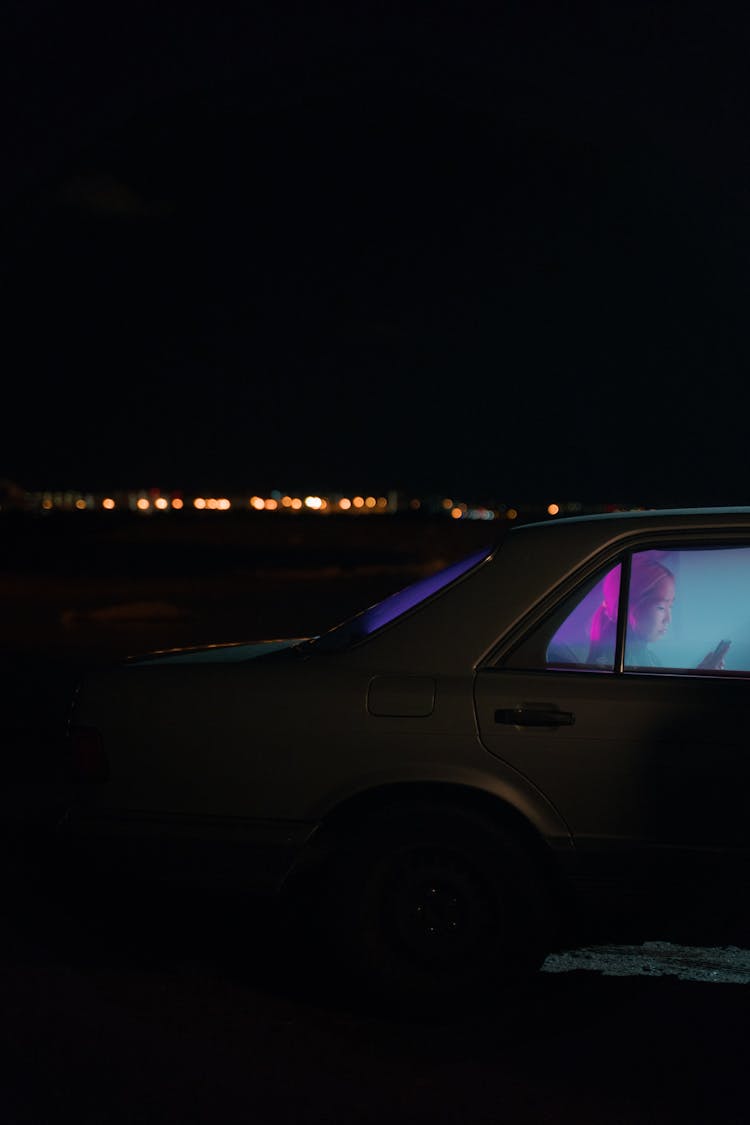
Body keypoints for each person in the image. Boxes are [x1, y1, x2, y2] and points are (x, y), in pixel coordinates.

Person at [587, 558, 730, 670]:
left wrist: (699, 674)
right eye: (661, 607)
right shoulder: (611, 663)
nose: (668, 619)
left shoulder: (645, 658)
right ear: (630, 607)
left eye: (671, 606)